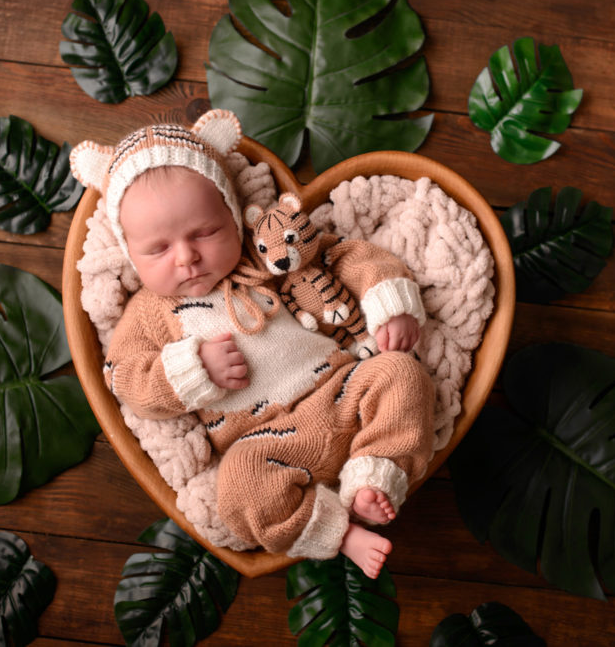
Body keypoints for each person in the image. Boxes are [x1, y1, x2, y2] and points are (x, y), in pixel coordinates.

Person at [70, 110, 435, 579]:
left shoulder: (263, 251)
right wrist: (189, 369)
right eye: (157, 249)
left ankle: (373, 474)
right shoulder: (148, 313)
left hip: (342, 391)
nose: (186, 257)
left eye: (205, 232)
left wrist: (389, 300)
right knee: (238, 490)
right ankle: (339, 531)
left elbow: (342, 255)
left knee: (401, 374)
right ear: (129, 253)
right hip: (265, 443)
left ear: (231, 212)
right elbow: (125, 377)